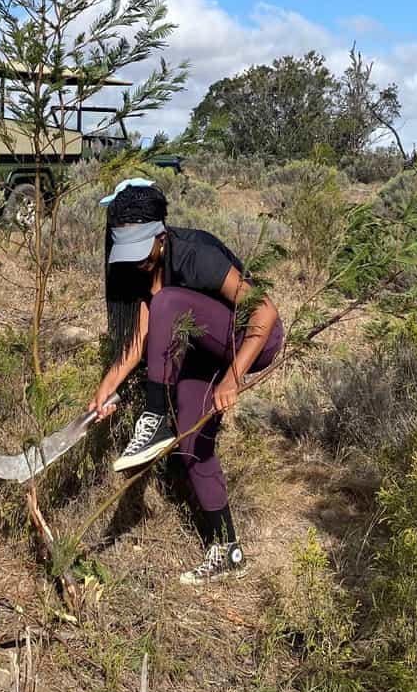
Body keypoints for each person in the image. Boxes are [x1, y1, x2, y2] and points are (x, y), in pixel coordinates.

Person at [91, 181, 284, 585]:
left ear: (161, 236)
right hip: (199, 343)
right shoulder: (140, 270)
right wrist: (108, 382)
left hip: (250, 337)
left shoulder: (196, 252)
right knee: (194, 441)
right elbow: (145, 331)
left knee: (169, 302)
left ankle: (155, 416)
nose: (136, 262)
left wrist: (232, 379)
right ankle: (227, 549)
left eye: (142, 251)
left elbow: (264, 311)